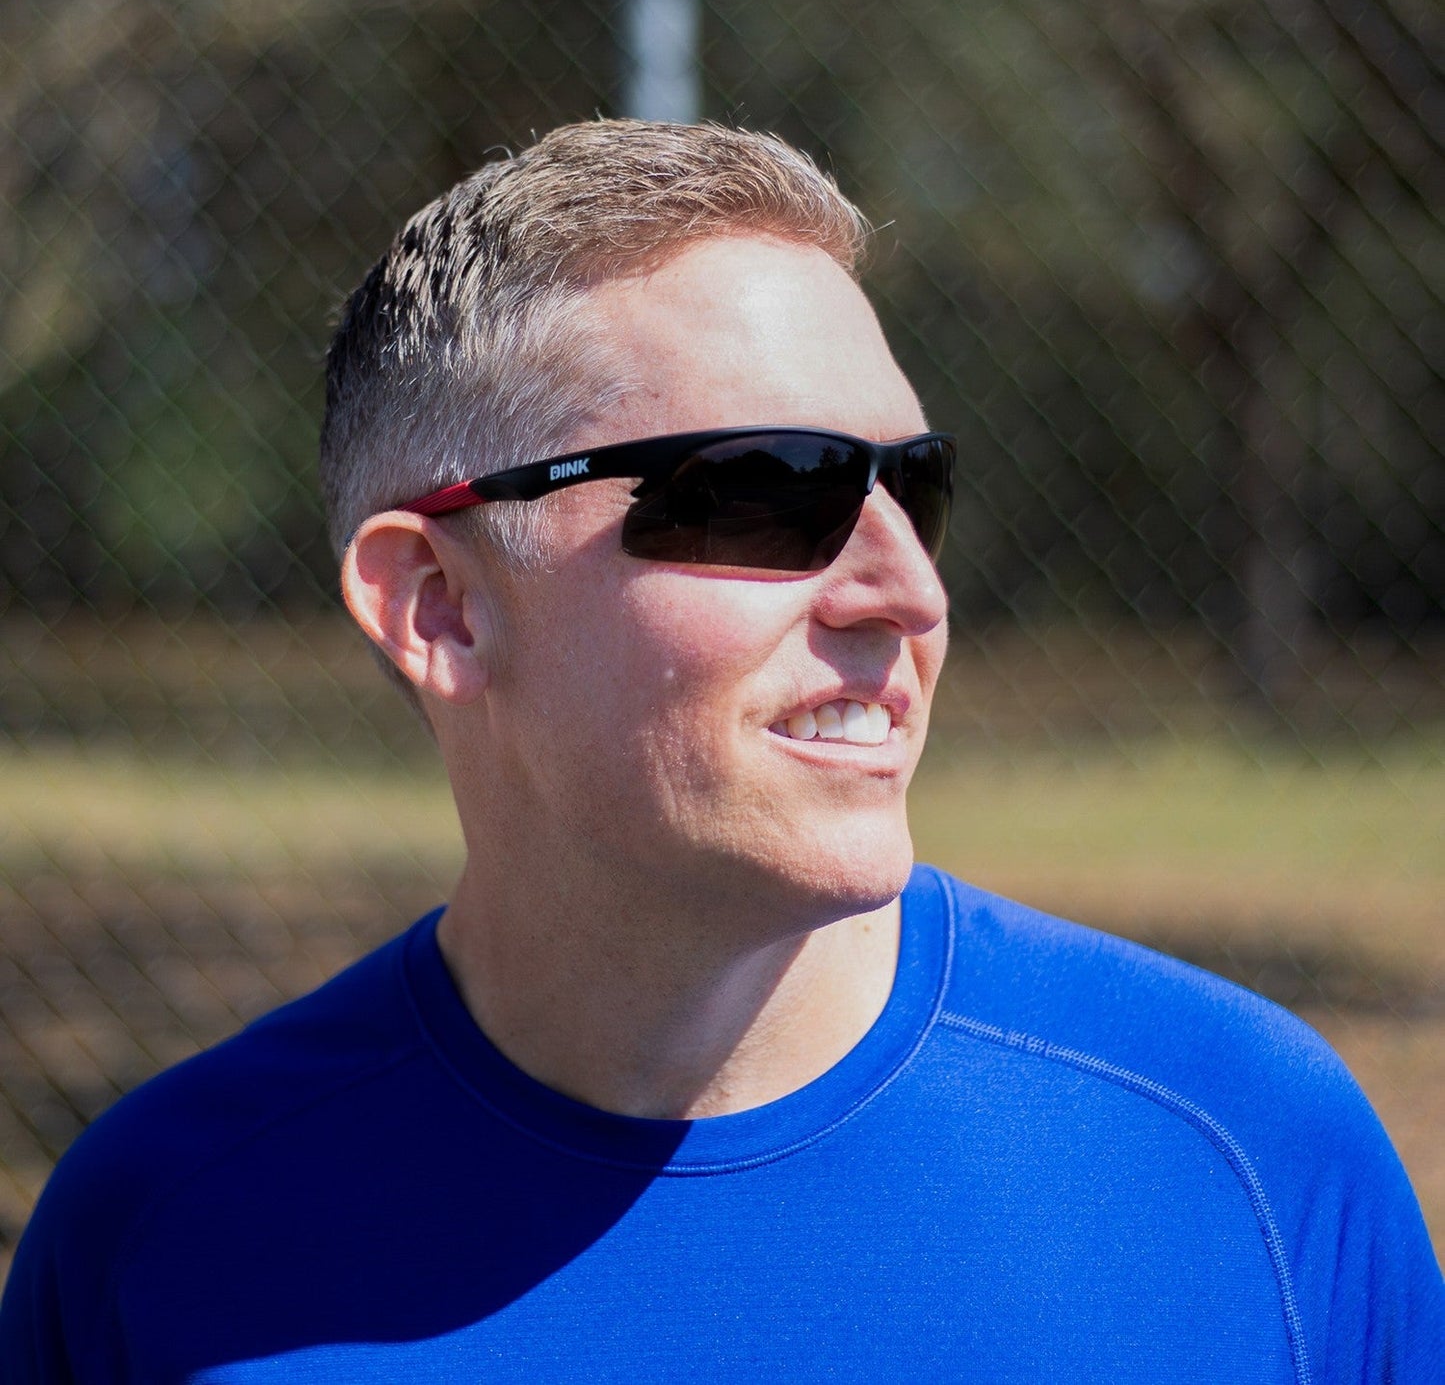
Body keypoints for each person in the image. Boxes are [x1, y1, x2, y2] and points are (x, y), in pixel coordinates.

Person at [1, 119, 1440, 1383]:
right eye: (767, 492)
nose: (907, 590)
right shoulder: (164, 1243)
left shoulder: (1244, 1159)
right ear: (437, 605)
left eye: (915, 488)